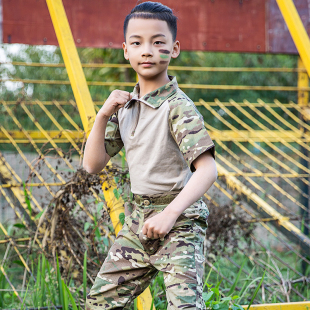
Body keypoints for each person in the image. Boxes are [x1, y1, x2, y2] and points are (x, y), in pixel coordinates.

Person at [83, 1, 217, 309]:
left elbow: (208, 170)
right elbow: (92, 164)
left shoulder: (177, 106)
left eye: (158, 42)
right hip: (138, 221)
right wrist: (103, 114)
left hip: (179, 221)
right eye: (137, 43)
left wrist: (170, 214)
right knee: (99, 303)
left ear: (174, 49)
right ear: (125, 50)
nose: (147, 50)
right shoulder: (126, 107)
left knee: (185, 307)